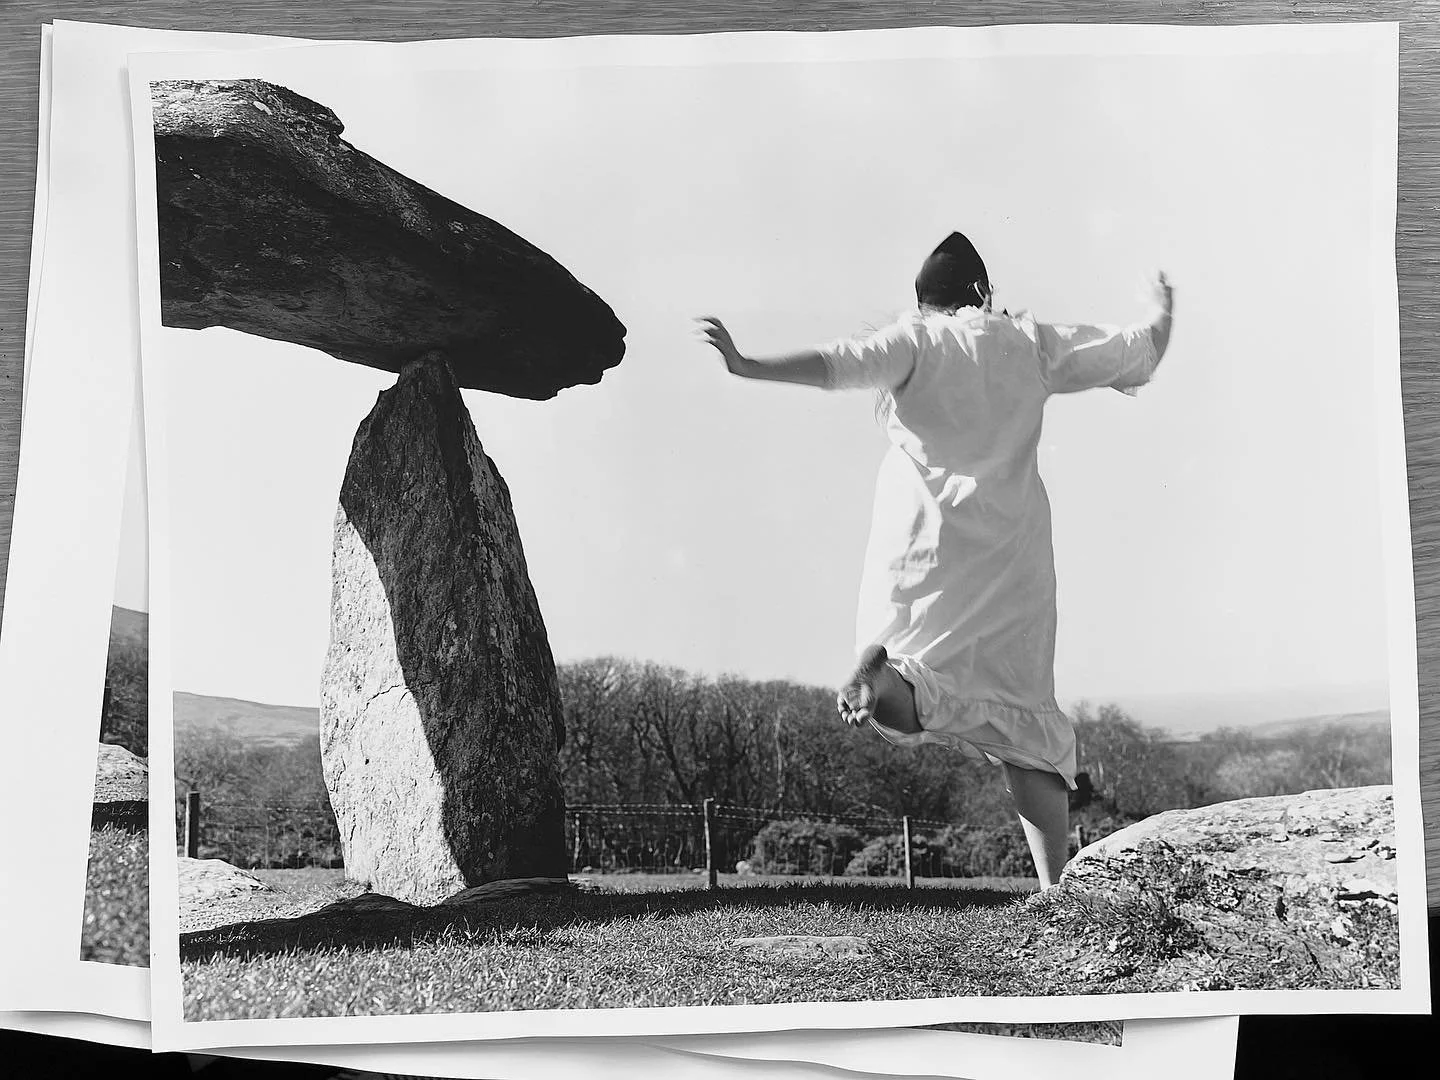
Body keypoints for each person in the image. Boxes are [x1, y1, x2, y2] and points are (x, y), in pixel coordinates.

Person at [697, 231, 1175, 889]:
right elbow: (1137, 352)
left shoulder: (913, 340)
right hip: (1010, 553)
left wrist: (750, 364)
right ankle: (1053, 890)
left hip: (918, 542)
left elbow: (840, 362)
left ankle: (883, 679)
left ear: (923, 301)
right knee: (1024, 718)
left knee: (919, 683)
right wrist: (1162, 306)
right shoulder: (1030, 343)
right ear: (983, 294)